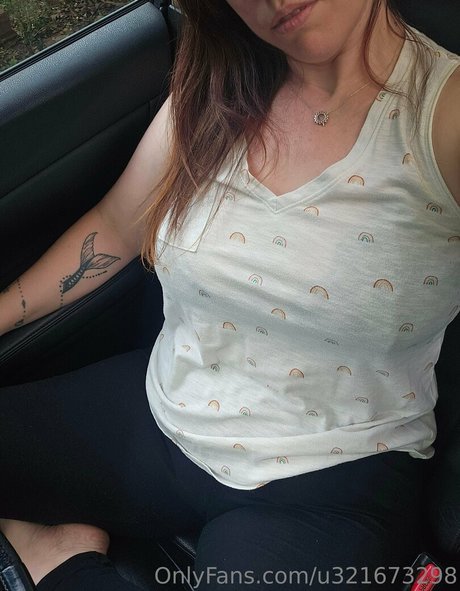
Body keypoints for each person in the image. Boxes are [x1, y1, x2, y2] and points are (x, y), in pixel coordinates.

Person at [1, 0, 459, 589]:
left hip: (331, 471)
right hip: (169, 402)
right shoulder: (216, 87)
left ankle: (60, 560)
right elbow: (116, 228)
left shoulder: (443, 116)